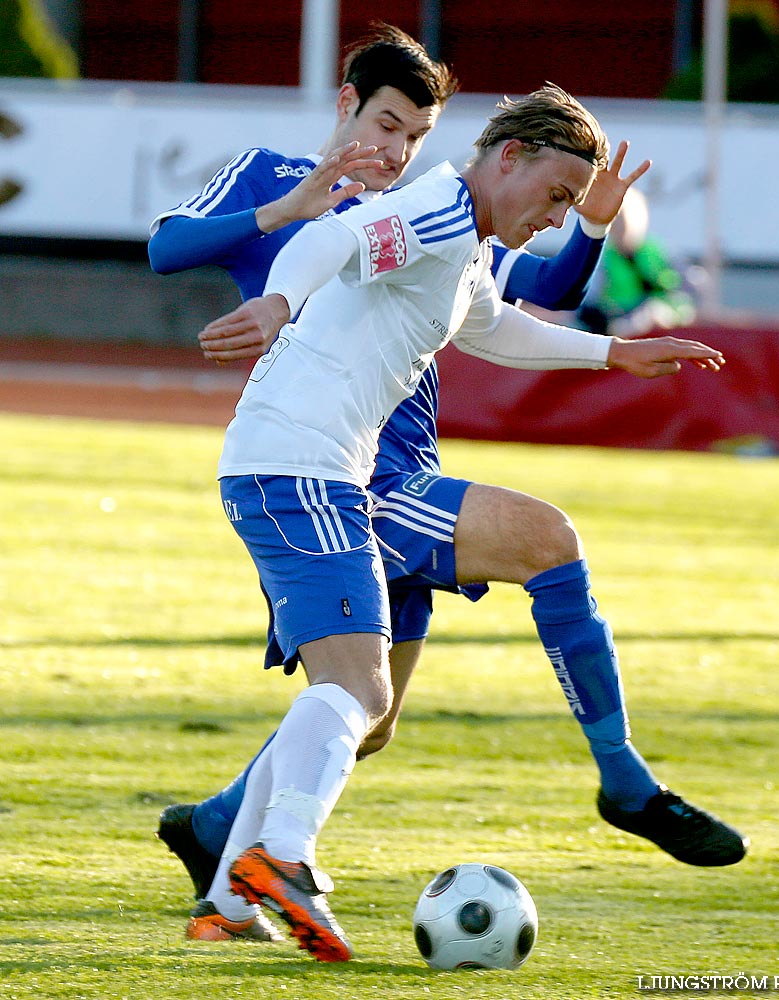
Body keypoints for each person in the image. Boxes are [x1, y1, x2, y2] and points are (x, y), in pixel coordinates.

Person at [152, 27, 746, 951]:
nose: (555, 215)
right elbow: (338, 237)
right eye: (554, 193)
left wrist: (614, 353)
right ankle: (284, 857)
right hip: (299, 466)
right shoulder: (434, 211)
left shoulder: (461, 236)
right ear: (507, 158)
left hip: (316, 470)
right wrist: (277, 299)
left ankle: (229, 901)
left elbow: (496, 326)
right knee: (354, 686)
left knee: (362, 704)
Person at [578, 186, 696, 337]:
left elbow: (690, 282)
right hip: (618, 316)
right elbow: (592, 295)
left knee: (648, 313)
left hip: (659, 313)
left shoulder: (656, 251)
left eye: (623, 220)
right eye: (614, 221)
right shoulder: (606, 256)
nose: (618, 227)